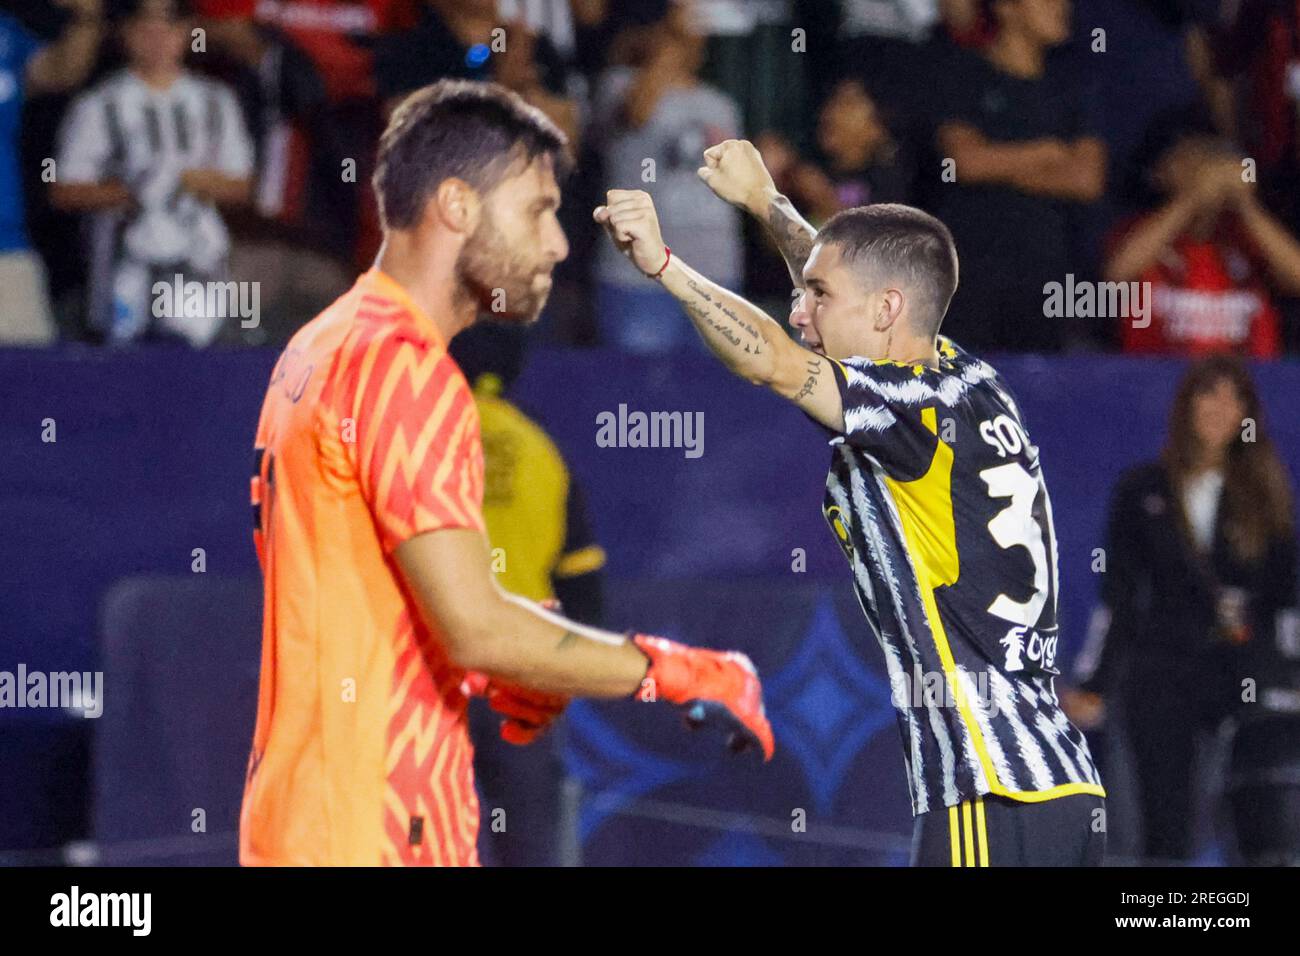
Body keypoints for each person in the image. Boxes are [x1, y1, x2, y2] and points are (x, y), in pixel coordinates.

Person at [240, 80, 773, 867]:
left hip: (310, 814)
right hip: (374, 827)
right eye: (537, 209)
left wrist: (501, 665)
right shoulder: (404, 368)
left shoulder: (323, 344)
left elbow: (381, 597)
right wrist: (677, 670)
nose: (558, 244)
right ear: (457, 205)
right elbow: (476, 625)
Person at [594, 138, 1106, 866]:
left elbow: (772, 359)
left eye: (816, 300)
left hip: (988, 793)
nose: (803, 314)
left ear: (888, 309)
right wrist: (767, 204)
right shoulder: (967, 380)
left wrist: (663, 268)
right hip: (1064, 790)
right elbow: (858, 282)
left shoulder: (905, 410)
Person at [1068, 357, 1297, 862]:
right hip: (1162, 678)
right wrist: (1095, 684)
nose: (1220, 408)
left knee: (1260, 830)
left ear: (1247, 413)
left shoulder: (1266, 496)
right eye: (1208, 394)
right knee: (1162, 829)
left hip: (1245, 684)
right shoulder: (1143, 489)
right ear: (1186, 405)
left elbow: (1286, 602)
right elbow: (1120, 599)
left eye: (1233, 397)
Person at [450, 321, 607, 867]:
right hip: (522, 675)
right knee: (533, 842)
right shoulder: (541, 450)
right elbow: (585, 591)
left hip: (433, 671)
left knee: (418, 832)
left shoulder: (422, 443)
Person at [51, 0, 254, 345]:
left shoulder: (216, 101)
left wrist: (195, 182)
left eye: (169, 26)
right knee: (126, 367)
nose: (157, 38)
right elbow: (64, 190)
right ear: (125, 33)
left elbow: (242, 186)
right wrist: (131, 190)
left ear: (188, 31)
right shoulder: (99, 104)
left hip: (197, 261)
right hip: (124, 265)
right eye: (144, 26)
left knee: (199, 363)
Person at [929, 0, 1105, 352]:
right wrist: (1046, 154)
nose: (1062, 7)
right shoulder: (966, 73)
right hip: (972, 274)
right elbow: (964, 162)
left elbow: (1087, 180)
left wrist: (1003, 166)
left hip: (1046, 277)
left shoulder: (1071, 88)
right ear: (1007, 8)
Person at [591, 0, 741, 353]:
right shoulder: (618, 86)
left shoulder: (721, 104)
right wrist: (666, 48)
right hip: (637, 277)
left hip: (715, 277)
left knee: (712, 399)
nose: (693, 36)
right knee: (637, 397)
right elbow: (637, 113)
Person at [1105, 108, 1300, 358]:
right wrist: (1190, 199)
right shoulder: (1136, 230)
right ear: (1160, 173)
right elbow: (1117, 274)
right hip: (1156, 381)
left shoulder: (1246, 238)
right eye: (1191, 159)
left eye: (1212, 156)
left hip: (1245, 385)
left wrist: (1246, 204)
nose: (1207, 168)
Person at [0, 0, 103, 344]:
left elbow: (63, 71)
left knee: (31, 378)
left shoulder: (7, 32)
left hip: (7, 242)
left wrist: (86, 13)